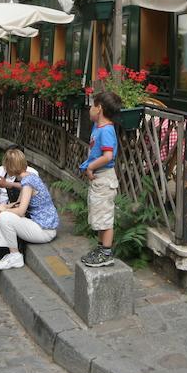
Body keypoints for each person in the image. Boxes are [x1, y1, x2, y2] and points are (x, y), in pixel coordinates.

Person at [0, 148, 59, 270]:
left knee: (4, 216)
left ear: (9, 166)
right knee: (0, 210)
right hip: (41, 225)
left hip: (45, 230)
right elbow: (19, 203)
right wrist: (4, 207)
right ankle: (1, 252)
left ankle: (15, 256)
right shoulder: (29, 177)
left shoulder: (28, 183)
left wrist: (4, 210)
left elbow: (21, 211)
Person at [79, 91, 122, 268]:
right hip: (99, 180)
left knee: (105, 217)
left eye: (92, 105)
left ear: (99, 109)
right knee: (98, 216)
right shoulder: (98, 126)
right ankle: (100, 249)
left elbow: (108, 155)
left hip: (104, 178)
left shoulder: (107, 131)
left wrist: (90, 167)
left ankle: (106, 253)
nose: (90, 109)